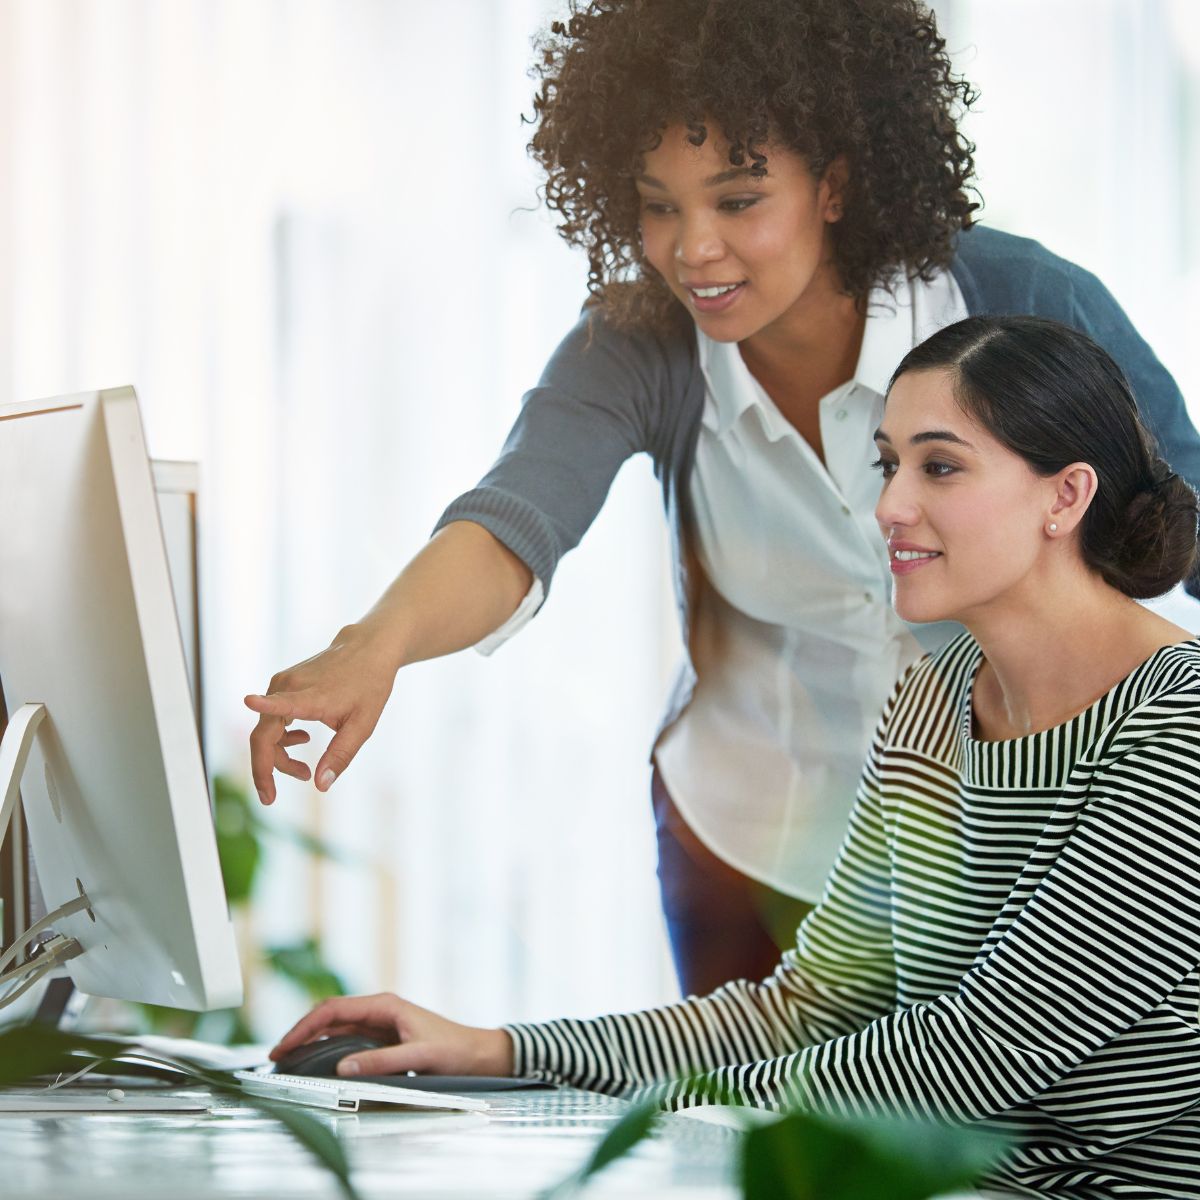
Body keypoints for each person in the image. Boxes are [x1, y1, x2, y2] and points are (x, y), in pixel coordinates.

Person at [245, 0, 1200, 997]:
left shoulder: (1022, 304)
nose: (692, 249)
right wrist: (377, 645)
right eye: (659, 205)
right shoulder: (639, 345)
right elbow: (517, 516)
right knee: (738, 1094)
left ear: (834, 184)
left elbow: (1183, 509)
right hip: (752, 842)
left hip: (1016, 831)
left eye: (738, 200)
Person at [272, 316, 1200, 1199]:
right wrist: (500, 1052)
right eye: (887, 465)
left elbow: (974, 1057)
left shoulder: (1175, 723)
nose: (888, 505)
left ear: (1065, 496)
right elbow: (807, 1012)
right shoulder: (931, 702)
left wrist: (666, 1113)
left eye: (941, 467)